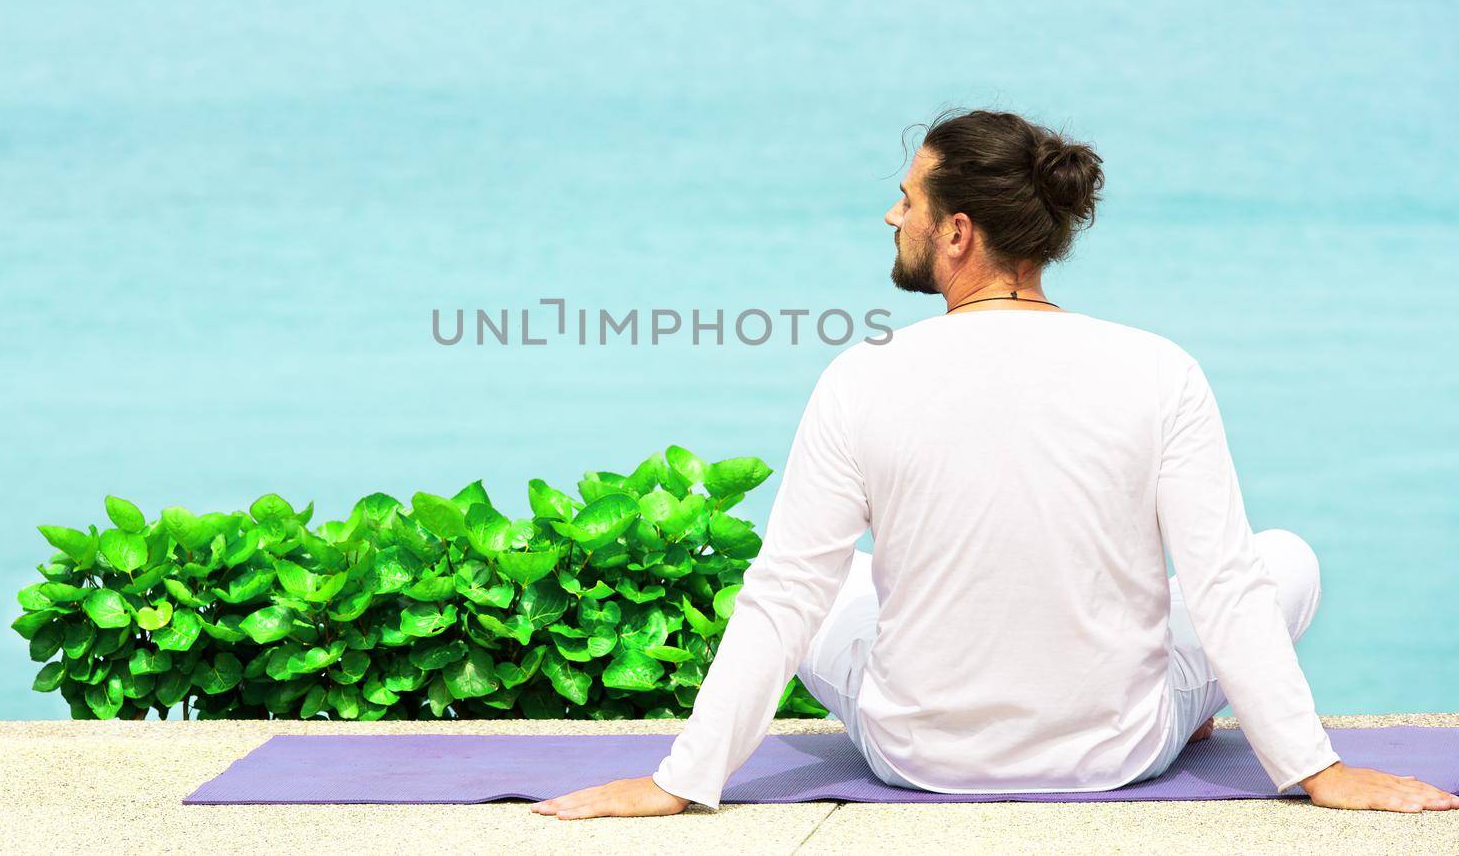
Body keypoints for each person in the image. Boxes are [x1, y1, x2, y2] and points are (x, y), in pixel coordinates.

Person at [530, 110, 1459, 819]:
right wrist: (1316, 769)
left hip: (920, 755)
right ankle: (1196, 708)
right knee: (1283, 559)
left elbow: (785, 595)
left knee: (808, 577)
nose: (892, 213)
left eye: (910, 199)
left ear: (959, 231)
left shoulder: (863, 376)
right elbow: (1219, 581)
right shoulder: (1157, 367)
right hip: (1117, 749)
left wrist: (683, 782)